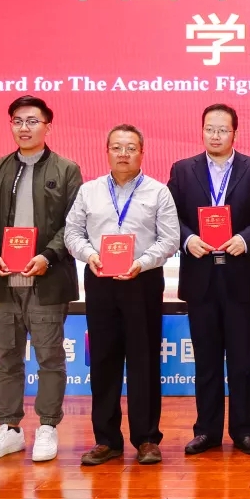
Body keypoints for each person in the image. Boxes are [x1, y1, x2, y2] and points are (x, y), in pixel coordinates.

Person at [0, 96, 83, 463]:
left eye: (32, 121)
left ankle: (48, 427)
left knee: (49, 357)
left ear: (47, 126)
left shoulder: (66, 170)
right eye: (18, 121)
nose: (24, 127)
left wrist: (47, 255)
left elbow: (73, 223)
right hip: (3, 280)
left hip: (47, 280)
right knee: (6, 358)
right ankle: (9, 429)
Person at [65, 125, 181, 465]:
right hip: (100, 279)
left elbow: (170, 239)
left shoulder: (158, 192)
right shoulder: (89, 191)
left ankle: (147, 438)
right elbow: (72, 233)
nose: (123, 154)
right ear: (107, 152)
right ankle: (107, 440)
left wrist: (141, 262)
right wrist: (90, 255)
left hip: (141, 280)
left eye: (131, 148)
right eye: (117, 147)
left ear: (142, 153)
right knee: (103, 360)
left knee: (144, 360)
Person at [167, 104, 250, 456]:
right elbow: (169, 216)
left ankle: (244, 431)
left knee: (243, 362)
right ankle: (207, 431)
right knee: (207, 361)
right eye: (209, 129)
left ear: (234, 134)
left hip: (240, 277)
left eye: (222, 130)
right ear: (202, 131)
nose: (215, 135)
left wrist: (246, 238)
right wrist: (187, 239)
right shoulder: (182, 170)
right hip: (200, 277)